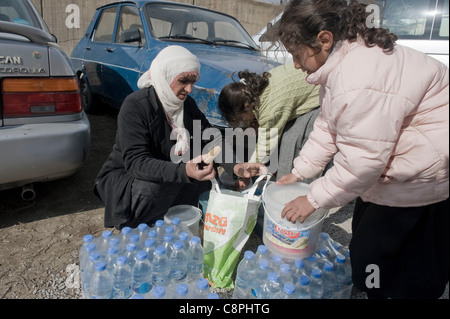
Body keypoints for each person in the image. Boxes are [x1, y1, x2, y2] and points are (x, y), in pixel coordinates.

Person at [273, 0, 449, 299]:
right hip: (397, 169)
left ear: (323, 40)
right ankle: (375, 288)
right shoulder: (344, 62)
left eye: (296, 54)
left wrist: (313, 199)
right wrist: (301, 171)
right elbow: (328, 127)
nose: (296, 64)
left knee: (405, 265)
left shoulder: (358, 78)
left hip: (422, 179)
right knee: (371, 252)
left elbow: (363, 161)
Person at [94, 45, 267, 230]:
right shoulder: (136, 106)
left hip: (167, 169)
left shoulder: (185, 105)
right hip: (128, 177)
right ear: (165, 75)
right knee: (159, 185)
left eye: (193, 81)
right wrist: (185, 171)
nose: (190, 89)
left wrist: (236, 166)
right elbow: (136, 162)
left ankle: (176, 223)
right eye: (183, 81)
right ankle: (139, 228)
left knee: (206, 172)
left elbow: (211, 138)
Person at [218, 63, 321, 178]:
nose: (243, 122)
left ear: (246, 106)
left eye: (240, 119)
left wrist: (249, 168)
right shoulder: (262, 83)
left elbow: (266, 146)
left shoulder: (269, 108)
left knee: (290, 145)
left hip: (323, 97)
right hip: (319, 81)